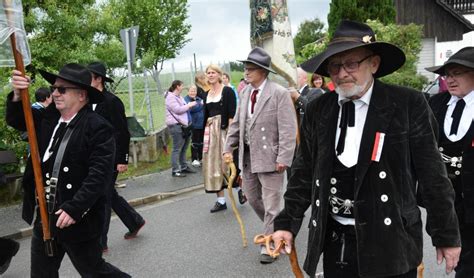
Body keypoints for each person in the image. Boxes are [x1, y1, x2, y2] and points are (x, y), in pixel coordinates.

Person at [271, 20, 461, 277]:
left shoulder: (408, 104)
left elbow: (433, 176)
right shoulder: (319, 109)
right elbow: (303, 173)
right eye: (335, 66)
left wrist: (446, 235)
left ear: (374, 63)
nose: (342, 73)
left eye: (351, 63)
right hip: (336, 241)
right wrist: (286, 223)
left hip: (391, 242)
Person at [6, 63, 130, 277]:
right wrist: (17, 94)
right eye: (54, 88)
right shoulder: (48, 118)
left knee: (94, 271)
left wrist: (75, 208)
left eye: (62, 89)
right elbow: (18, 120)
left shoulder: (97, 127)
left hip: (77, 218)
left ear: (82, 95)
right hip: (45, 216)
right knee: (42, 274)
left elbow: (99, 175)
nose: (55, 93)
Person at [223, 47, 297, 264]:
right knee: (253, 198)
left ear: (263, 71)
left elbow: (288, 128)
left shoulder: (279, 93)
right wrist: (228, 147)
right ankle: (280, 226)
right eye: (245, 68)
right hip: (248, 158)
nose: (246, 72)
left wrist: (284, 157)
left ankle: (270, 244)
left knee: (272, 203)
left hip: (272, 159)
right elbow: (237, 123)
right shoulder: (245, 92)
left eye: (250, 69)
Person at [425, 47, 474, 278]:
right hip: (446, 202)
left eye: (458, 73)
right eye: (447, 75)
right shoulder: (436, 104)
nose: (450, 80)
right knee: (459, 257)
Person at [87, 61, 146, 252]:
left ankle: (100, 242)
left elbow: (122, 132)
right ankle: (134, 221)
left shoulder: (111, 102)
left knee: (102, 196)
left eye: (89, 77)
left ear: (98, 79)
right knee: (108, 194)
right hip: (92, 157)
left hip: (110, 156)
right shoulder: (85, 101)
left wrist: (122, 159)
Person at [203, 64, 237, 213]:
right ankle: (221, 200)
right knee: (213, 165)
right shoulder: (207, 94)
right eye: (208, 73)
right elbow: (206, 116)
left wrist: (230, 134)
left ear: (219, 74)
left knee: (228, 163)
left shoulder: (227, 91)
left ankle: (242, 188)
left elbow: (231, 114)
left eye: (213, 72)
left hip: (224, 130)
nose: (210, 75)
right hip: (211, 132)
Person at [165, 80, 197, 177]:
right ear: (178, 87)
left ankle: (183, 166)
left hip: (184, 126)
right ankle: (175, 170)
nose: (183, 87)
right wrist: (189, 105)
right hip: (176, 126)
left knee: (184, 147)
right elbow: (178, 110)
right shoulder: (170, 98)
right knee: (177, 148)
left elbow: (183, 108)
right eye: (182, 86)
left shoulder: (179, 97)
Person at [184, 85, 205, 167]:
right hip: (194, 124)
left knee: (201, 142)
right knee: (195, 142)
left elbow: (201, 106)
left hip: (201, 124)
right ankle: (194, 159)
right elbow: (192, 109)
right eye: (191, 91)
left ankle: (201, 158)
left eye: (194, 91)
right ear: (188, 92)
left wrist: (198, 104)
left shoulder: (198, 99)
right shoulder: (186, 100)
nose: (193, 93)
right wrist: (201, 104)